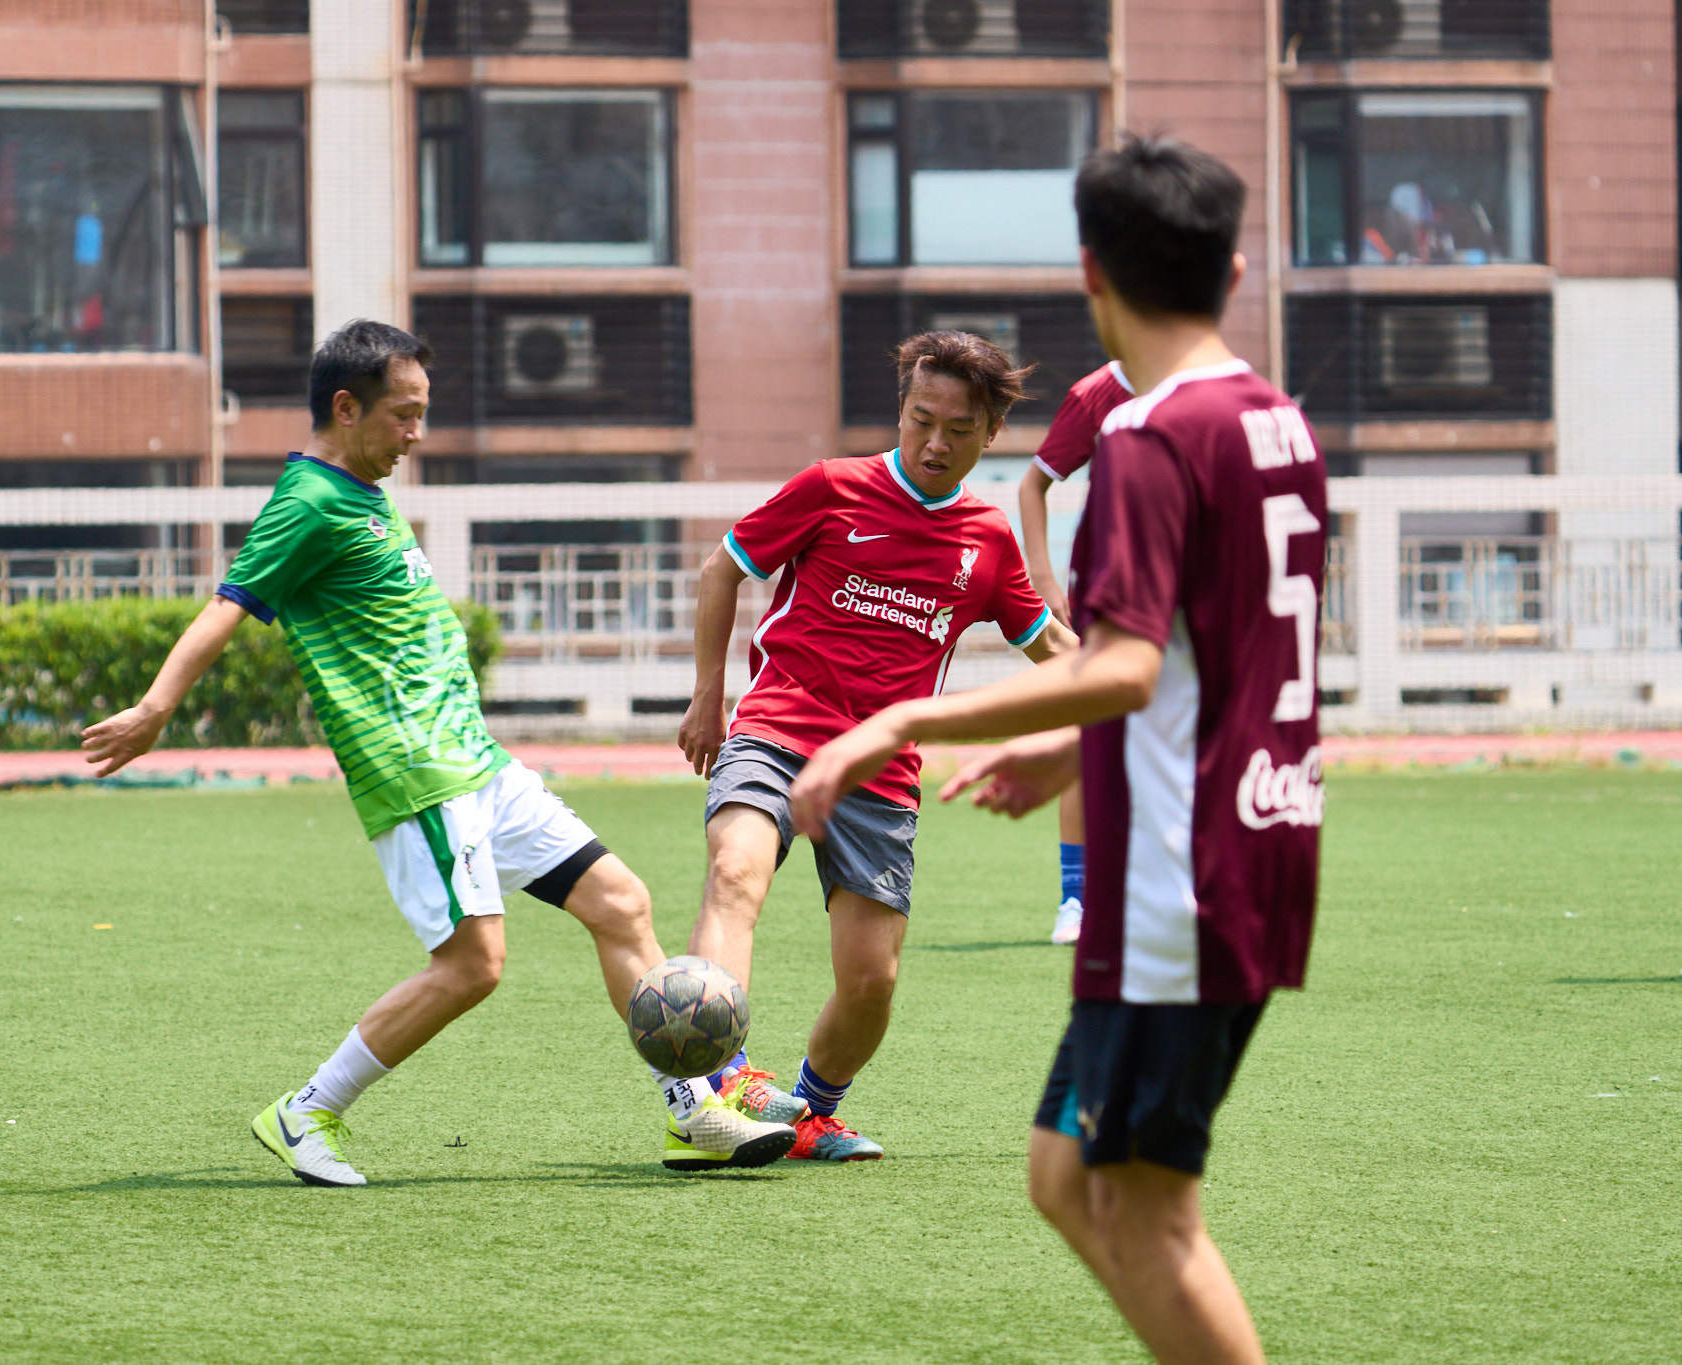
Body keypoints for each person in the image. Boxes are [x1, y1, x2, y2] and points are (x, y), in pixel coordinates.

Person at [788, 135, 1325, 1364]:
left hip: (1179, 874)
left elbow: (1125, 667)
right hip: (1252, 830)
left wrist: (902, 720)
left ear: (1090, 270)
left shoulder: (1150, 439)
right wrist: (1078, 758)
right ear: (1233, 271)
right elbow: (1220, 658)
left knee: (1140, 1208)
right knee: (1062, 1173)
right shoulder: (1276, 424)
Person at [82, 319, 796, 1184]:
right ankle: (306, 1110)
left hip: (477, 762)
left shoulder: (361, 489)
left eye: (423, 413)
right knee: (472, 964)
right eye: (404, 415)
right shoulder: (306, 501)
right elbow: (228, 605)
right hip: (418, 773)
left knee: (620, 901)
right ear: (346, 408)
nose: (417, 435)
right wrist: (155, 708)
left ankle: (695, 1112)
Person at [676, 330, 1078, 1163]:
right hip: (777, 730)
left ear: (991, 433)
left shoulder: (986, 538)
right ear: (900, 411)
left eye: (958, 429)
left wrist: (1149, 683)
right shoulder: (831, 487)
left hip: (881, 771)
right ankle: (720, 1085)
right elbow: (722, 569)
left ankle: (811, 1111)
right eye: (920, 420)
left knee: (872, 982)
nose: (934, 443)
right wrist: (708, 695)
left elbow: (1053, 648)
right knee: (735, 872)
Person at [1018, 360, 1133, 945]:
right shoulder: (1097, 394)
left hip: (1188, 600)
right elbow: (1033, 484)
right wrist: (1043, 578)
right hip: (1107, 596)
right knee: (1088, 741)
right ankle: (1076, 899)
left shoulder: (1211, 389)